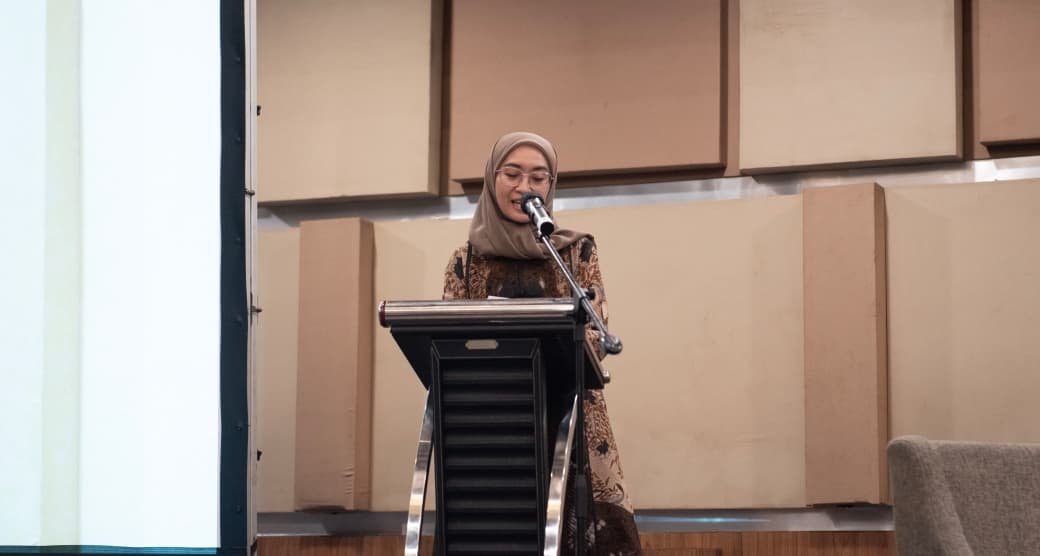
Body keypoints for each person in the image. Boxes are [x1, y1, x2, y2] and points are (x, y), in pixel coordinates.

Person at [442, 131, 642, 555]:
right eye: (512, 174)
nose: (525, 187)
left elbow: (595, 334)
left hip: (569, 421)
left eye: (538, 178)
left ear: (550, 186)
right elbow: (448, 343)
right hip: (491, 427)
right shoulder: (465, 260)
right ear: (492, 179)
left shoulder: (575, 252)